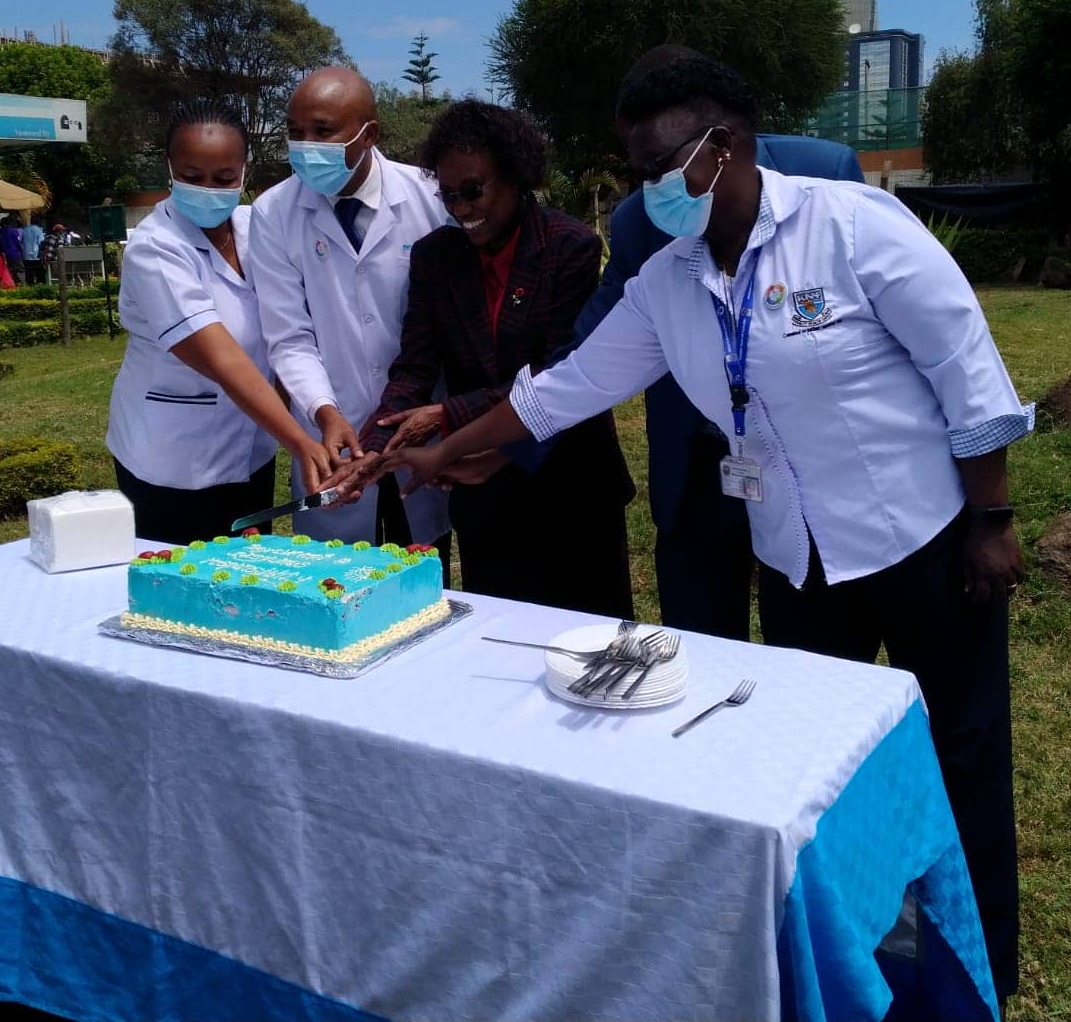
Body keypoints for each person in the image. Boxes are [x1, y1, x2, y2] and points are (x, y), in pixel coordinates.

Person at [377, 54, 1031, 1006]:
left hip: (924, 540)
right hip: (796, 562)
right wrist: (447, 450)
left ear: (724, 147)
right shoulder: (668, 282)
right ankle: (862, 961)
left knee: (961, 752)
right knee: (828, 772)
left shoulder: (852, 229)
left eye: (661, 165)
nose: (649, 192)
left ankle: (982, 970)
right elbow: (564, 390)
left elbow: (965, 367)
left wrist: (992, 519)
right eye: (635, 171)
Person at [580, 46, 866, 640]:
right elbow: (590, 349)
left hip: (803, 465)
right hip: (695, 464)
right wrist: (491, 426)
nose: (650, 176)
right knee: (702, 642)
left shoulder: (824, 174)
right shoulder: (639, 219)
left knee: (810, 650)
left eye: (659, 153)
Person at [353, 100, 634, 615]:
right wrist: (373, 444)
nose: (460, 208)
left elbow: (558, 375)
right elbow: (416, 366)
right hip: (485, 499)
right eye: (447, 194)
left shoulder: (569, 247)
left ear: (515, 176)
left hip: (569, 484)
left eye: (473, 190)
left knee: (594, 646)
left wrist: (447, 414)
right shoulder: (436, 256)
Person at [107, 98, 335, 546]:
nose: (208, 189)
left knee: (247, 575)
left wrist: (312, 414)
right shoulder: (155, 249)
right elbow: (221, 359)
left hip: (250, 449)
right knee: (181, 592)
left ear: (244, 171)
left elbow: (287, 330)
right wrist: (301, 441)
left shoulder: (257, 229)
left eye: (224, 178)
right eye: (192, 178)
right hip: (170, 462)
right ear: (168, 168)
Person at [248, 66, 451, 556]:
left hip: (419, 425)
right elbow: (289, 335)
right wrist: (324, 410)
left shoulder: (429, 194)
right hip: (331, 433)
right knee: (338, 578)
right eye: (295, 133)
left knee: (422, 574)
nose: (305, 146)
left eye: (322, 131)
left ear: (369, 133)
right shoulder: (273, 212)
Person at [0, 216, 25, 285]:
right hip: (16, 254)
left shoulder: (0, 231)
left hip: (6, 255)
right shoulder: (14, 231)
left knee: (10, 269)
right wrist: (21, 251)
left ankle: (13, 282)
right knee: (20, 269)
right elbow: (18, 242)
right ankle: (21, 283)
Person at [22, 218, 46, 285]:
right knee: (39, 272)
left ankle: (30, 285)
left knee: (28, 271)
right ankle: (40, 284)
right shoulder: (39, 230)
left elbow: (21, 241)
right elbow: (41, 242)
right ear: (38, 223)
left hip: (26, 254)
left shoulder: (25, 230)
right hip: (36, 254)